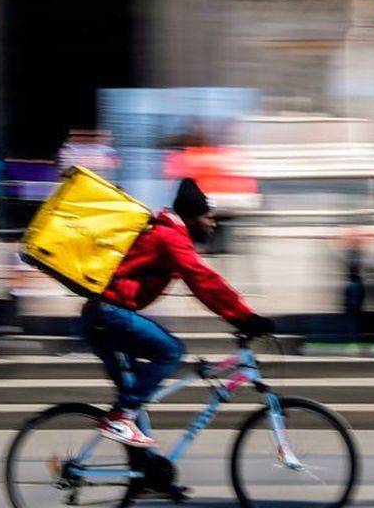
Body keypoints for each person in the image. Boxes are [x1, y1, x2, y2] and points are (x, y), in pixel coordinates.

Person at [83, 177, 273, 448]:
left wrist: (236, 315)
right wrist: (245, 317)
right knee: (170, 352)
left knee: (136, 394)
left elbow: (202, 286)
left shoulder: (167, 234)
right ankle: (120, 417)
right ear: (193, 217)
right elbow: (203, 280)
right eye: (209, 217)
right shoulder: (170, 237)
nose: (213, 223)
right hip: (110, 315)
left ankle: (145, 480)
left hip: (103, 316)